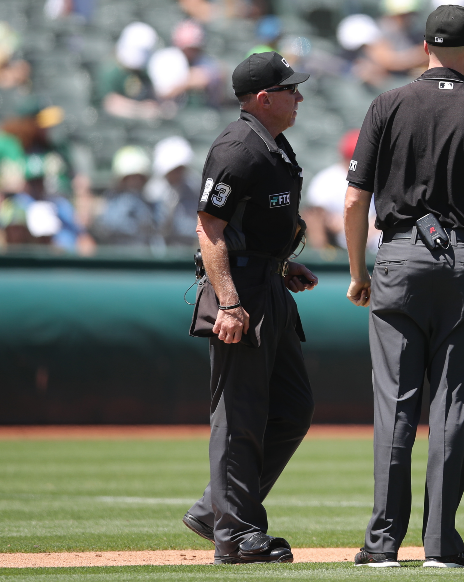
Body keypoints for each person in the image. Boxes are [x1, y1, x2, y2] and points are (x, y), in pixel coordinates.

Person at [343, 5, 464, 569]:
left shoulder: (388, 103)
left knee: (396, 406)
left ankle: (383, 543)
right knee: (453, 407)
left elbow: (356, 199)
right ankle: (440, 544)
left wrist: (360, 273)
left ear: (425, 46)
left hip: (400, 258)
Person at [181, 51, 318, 565]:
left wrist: (281, 266)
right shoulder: (237, 146)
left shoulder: (272, 145)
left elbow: (250, 225)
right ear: (264, 98)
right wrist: (230, 303)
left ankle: (217, 507)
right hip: (240, 292)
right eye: (290, 89)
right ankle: (235, 535)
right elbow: (209, 227)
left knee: (292, 407)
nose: (298, 97)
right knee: (239, 415)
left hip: (267, 282)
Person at [145, 135, 201, 246]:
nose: (178, 173)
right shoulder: (153, 193)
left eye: (180, 169)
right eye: (174, 170)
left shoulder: (195, 188)